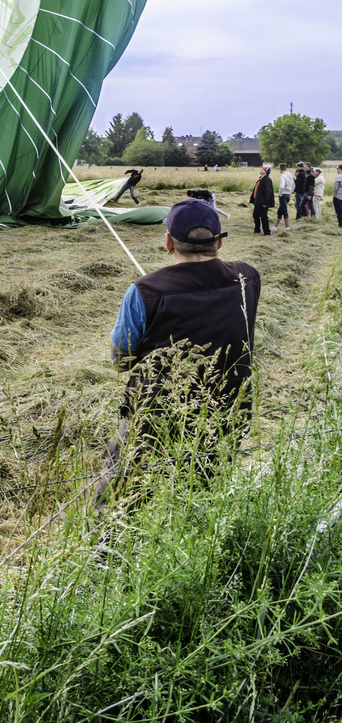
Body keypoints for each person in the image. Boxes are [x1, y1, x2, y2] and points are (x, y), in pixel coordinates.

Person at [96, 199, 260, 504]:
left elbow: (121, 362)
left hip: (158, 418)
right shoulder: (248, 277)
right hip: (228, 409)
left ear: (168, 242)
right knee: (203, 493)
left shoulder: (144, 292)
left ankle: (103, 546)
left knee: (119, 495)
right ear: (219, 243)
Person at [250, 165, 275, 235]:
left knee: (264, 217)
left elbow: (268, 192)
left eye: (263, 169)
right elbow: (256, 190)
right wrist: (252, 198)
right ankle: (257, 229)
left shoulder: (267, 180)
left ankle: (267, 232)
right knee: (255, 215)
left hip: (263, 202)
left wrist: (266, 203)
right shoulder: (261, 179)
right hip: (258, 201)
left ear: (266, 172)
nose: (261, 170)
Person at [270, 163, 294, 231]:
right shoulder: (290, 176)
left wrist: (280, 193)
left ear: (280, 169)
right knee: (280, 211)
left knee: (284, 210)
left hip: (283, 194)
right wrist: (290, 192)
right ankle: (275, 226)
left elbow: (282, 186)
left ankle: (287, 227)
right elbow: (293, 185)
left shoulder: (283, 176)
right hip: (288, 194)